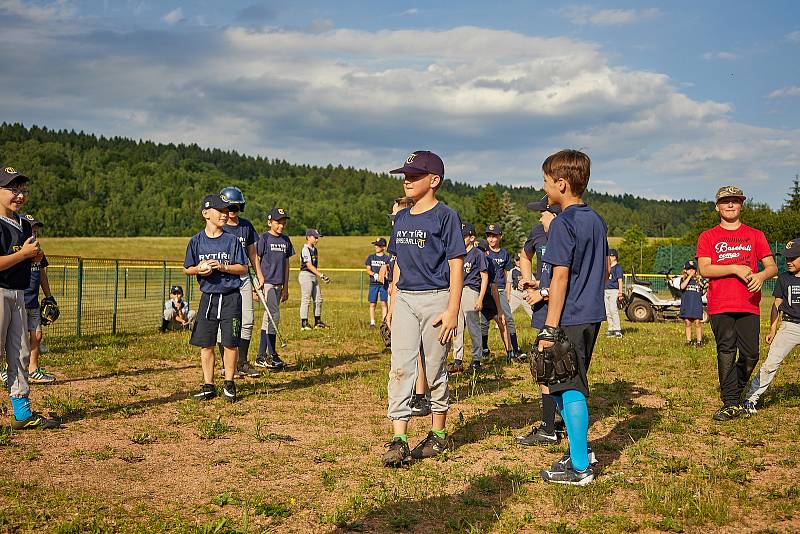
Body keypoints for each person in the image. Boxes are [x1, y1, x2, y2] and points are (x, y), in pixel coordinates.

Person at [382, 150, 465, 467]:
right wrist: (392, 304)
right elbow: (398, 263)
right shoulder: (401, 218)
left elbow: (457, 265)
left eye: (414, 175)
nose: (407, 180)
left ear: (434, 180)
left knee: (433, 369)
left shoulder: (446, 217)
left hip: (436, 299)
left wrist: (452, 310)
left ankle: (438, 435)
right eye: (405, 175)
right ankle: (399, 438)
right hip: (404, 299)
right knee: (400, 367)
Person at [535, 149, 607, 486]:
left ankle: (580, 469)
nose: (545, 187)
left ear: (561, 184)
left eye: (547, 182)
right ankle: (581, 451)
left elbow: (560, 278)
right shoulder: (596, 219)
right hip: (591, 314)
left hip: (570, 316)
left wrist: (550, 326)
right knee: (563, 384)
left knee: (568, 386)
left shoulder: (564, 223)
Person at [697, 185, 777, 421]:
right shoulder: (708, 236)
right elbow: (704, 268)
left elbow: (772, 267)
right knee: (726, 350)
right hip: (721, 303)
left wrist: (761, 276)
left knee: (751, 353)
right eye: (725, 201)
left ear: (741, 204)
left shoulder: (755, 235)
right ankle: (731, 402)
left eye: (735, 201)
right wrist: (734, 268)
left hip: (749, 303)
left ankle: (735, 388)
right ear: (717, 206)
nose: (730, 205)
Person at [0, 167, 58, 429]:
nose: (19, 194)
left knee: (21, 352)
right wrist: (23, 255)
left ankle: (22, 413)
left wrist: (33, 256)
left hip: (20, 295)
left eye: (22, 190)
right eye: (12, 189)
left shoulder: (24, 224)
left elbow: (30, 257)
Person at [184, 194, 249, 402]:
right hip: (209, 297)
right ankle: (208, 385)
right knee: (206, 343)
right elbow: (187, 268)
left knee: (230, 342)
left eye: (226, 210)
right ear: (206, 213)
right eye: (220, 211)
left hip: (231, 297)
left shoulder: (231, 241)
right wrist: (199, 270)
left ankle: (229, 383)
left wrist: (222, 267)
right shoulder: (196, 241)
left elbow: (243, 268)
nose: (224, 214)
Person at [516, 196, 567, 446]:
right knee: (545, 365)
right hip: (542, 308)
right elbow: (525, 256)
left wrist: (544, 292)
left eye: (542, 213)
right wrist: (531, 282)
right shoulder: (538, 233)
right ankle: (552, 423)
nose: (539, 218)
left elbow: (567, 278)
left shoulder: (566, 234)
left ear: (555, 215)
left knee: (559, 365)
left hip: (561, 308)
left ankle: (552, 426)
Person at [743, 239, 800, 414]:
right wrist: (773, 330)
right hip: (790, 325)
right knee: (770, 363)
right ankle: (751, 399)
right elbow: (776, 305)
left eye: (793, 258)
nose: (788, 262)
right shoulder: (783, 278)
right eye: (786, 258)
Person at [386, 197, 431, 418]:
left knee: (420, 351)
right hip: (402, 297)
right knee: (407, 351)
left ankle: (421, 397)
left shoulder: (413, 236)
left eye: (395, 216)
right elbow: (396, 272)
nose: (392, 220)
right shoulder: (400, 238)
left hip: (418, 298)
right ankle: (411, 391)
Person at [218, 186, 262, 379]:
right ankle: (226, 366)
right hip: (223, 279)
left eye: (236, 208)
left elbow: (253, 253)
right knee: (223, 322)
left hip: (244, 277)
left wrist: (259, 276)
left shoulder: (246, 226)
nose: (232, 212)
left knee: (247, 320)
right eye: (229, 208)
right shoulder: (219, 228)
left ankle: (242, 362)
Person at [254, 207, 294, 370]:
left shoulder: (285, 240)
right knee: (274, 316)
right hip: (267, 283)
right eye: (278, 222)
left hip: (279, 284)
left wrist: (286, 286)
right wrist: (258, 283)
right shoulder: (264, 238)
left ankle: (261, 355)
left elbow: (286, 264)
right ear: (270, 222)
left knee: (267, 318)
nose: (281, 225)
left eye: (283, 222)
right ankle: (272, 353)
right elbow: (256, 259)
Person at [447, 223, 488, 373]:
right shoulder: (457, 253)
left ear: (471, 237)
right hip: (457, 291)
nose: (461, 238)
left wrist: (480, 298)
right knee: (456, 325)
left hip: (471, 290)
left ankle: (476, 359)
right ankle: (458, 359)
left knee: (473, 327)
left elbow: (484, 276)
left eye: (464, 236)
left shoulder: (477, 253)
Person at [23, 214, 56, 384]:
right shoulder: (18, 250)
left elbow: (42, 273)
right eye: (31, 231)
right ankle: (9, 370)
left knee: (37, 335)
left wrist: (49, 296)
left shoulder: (39, 251)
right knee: (17, 339)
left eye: (36, 232)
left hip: (33, 301)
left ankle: (33, 369)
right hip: (18, 300)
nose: (34, 235)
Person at [484, 224, 522, 358]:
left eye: (494, 236)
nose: (491, 239)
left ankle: (514, 349)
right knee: (484, 321)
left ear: (500, 237)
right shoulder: (484, 251)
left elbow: (507, 274)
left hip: (500, 290)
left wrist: (507, 292)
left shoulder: (504, 253)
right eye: (489, 236)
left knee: (507, 319)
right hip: (487, 290)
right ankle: (484, 349)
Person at [299, 228, 329, 330]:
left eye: (318, 238)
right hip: (306, 275)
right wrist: (321, 275)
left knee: (318, 299)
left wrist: (318, 275)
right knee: (306, 299)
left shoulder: (315, 250)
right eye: (315, 237)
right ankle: (304, 323)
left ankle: (317, 322)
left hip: (313, 275)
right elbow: (309, 265)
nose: (317, 240)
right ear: (308, 237)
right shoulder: (305, 249)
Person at [365, 238, 390, 327]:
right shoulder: (371, 257)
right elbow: (368, 269)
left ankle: (384, 322)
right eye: (375, 245)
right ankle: (372, 322)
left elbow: (389, 269)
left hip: (383, 284)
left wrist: (384, 275)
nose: (376, 247)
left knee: (384, 303)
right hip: (373, 284)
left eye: (378, 245)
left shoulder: (387, 258)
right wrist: (374, 275)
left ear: (383, 247)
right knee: (372, 303)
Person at [679, 260, 704, 346]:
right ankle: (688, 341)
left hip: (696, 304)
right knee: (688, 322)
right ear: (685, 270)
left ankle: (699, 341)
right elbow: (682, 287)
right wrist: (689, 277)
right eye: (689, 269)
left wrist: (704, 286)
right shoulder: (683, 279)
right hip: (687, 305)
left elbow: (702, 292)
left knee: (697, 322)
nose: (691, 271)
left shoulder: (698, 280)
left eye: (693, 269)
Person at [604, 249, 624, 338]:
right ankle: (611, 329)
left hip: (614, 291)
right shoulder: (607, 268)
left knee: (613, 310)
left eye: (610, 256)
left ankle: (617, 330)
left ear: (615, 257)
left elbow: (620, 280)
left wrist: (620, 293)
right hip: (606, 290)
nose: (609, 258)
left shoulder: (617, 267)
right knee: (608, 311)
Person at [508, 255, 533, 322]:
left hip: (525, 293)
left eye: (520, 260)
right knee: (508, 310)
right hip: (515, 294)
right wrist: (508, 295)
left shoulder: (527, 270)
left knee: (531, 311)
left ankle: (538, 324)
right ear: (515, 261)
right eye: (517, 260)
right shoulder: (512, 271)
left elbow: (533, 282)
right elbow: (509, 283)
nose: (519, 262)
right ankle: (498, 326)